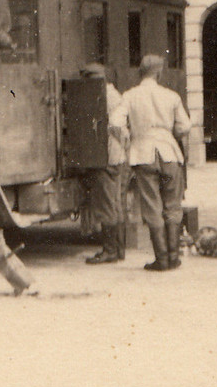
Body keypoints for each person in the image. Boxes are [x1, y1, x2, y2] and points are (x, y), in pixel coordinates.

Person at [123, 54, 192, 271]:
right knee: (172, 204)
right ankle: (173, 258)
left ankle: (161, 259)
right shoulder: (171, 96)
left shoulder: (130, 95)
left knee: (152, 206)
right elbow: (185, 126)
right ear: (159, 73)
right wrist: (169, 133)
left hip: (143, 155)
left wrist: (128, 139)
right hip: (169, 153)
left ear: (140, 73)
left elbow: (115, 123)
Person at [79, 63, 129, 264]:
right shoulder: (115, 94)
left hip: (107, 156)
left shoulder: (104, 96)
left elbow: (116, 126)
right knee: (116, 204)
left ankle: (109, 251)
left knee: (108, 205)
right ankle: (118, 250)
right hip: (117, 156)